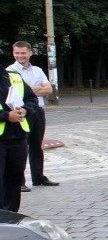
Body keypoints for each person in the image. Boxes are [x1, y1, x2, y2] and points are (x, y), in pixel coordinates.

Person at [8, 41, 59, 192]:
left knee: (37, 145)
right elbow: (17, 93)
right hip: (21, 112)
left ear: (30, 53)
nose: (20, 56)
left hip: (38, 111)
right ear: (13, 53)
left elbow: (49, 89)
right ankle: (19, 181)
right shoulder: (10, 71)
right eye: (17, 53)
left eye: (23, 53)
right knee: (21, 147)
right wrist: (36, 89)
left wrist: (30, 89)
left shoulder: (37, 70)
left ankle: (38, 177)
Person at [0, 66, 38, 211]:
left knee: (14, 182)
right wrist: (6, 116)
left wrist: (26, 109)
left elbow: (32, 98)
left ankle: (12, 219)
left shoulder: (13, 76)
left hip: (18, 137)